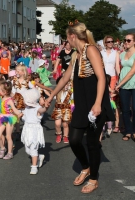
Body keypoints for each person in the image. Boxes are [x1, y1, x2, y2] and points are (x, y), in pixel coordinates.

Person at [45, 21, 115, 194]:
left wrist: (98, 103)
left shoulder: (91, 50)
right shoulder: (77, 54)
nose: (66, 42)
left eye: (67, 38)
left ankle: (93, 178)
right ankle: (86, 167)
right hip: (82, 105)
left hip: (95, 103)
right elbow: (64, 78)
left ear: (73, 36)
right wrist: (51, 96)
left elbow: (101, 78)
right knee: (75, 140)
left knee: (92, 143)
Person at [0, 81, 23, 160]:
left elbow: (14, 109)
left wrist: (19, 114)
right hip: (1, 118)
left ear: (5, 92)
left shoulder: (9, 100)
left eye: (0, 90)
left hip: (9, 118)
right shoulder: (0, 98)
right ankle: (2, 148)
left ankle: (10, 153)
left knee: (8, 136)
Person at [21, 88, 47, 174]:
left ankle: (34, 166)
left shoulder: (38, 108)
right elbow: (21, 115)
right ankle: (39, 156)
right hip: (27, 130)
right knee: (27, 150)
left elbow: (42, 110)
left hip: (34, 131)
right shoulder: (26, 108)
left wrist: (45, 106)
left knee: (33, 149)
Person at [115, 33, 135, 141]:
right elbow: (119, 68)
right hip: (123, 84)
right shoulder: (122, 54)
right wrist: (119, 81)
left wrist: (120, 83)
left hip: (133, 83)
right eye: (125, 40)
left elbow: (132, 71)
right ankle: (128, 131)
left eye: (129, 40)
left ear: (134, 42)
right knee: (125, 109)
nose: (126, 42)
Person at [101, 35, 121, 134]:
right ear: (105, 43)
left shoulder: (116, 53)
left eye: (112, 41)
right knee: (102, 98)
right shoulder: (101, 53)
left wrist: (119, 78)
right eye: (108, 42)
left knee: (111, 100)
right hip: (103, 77)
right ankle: (102, 122)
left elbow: (117, 66)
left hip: (112, 77)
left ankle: (110, 122)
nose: (111, 43)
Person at [51, 77, 73, 143]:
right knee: (57, 123)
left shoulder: (70, 92)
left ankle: (65, 136)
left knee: (65, 124)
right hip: (58, 109)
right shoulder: (57, 91)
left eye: (67, 84)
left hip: (66, 109)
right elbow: (52, 96)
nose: (65, 85)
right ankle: (59, 134)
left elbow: (73, 99)